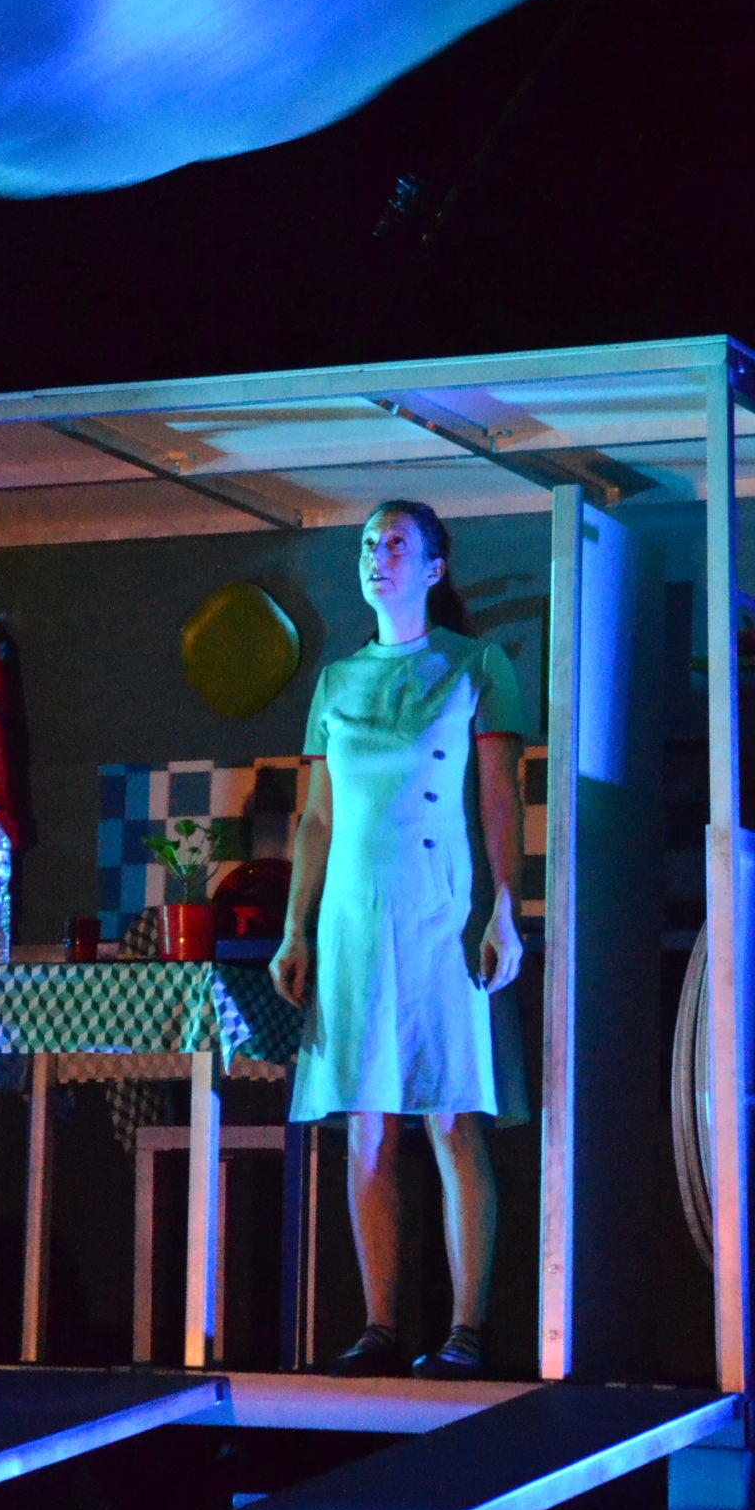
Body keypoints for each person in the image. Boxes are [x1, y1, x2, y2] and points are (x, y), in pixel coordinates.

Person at [270, 500, 526, 1377]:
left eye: (395, 544)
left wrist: (505, 908)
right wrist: (295, 926)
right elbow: (316, 817)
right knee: (366, 1121)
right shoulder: (336, 681)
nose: (376, 557)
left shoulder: (476, 665)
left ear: (433, 566)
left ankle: (466, 1331)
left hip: (439, 908)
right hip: (351, 914)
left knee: (450, 1114)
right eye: (367, 545)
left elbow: (500, 798)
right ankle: (379, 1327)